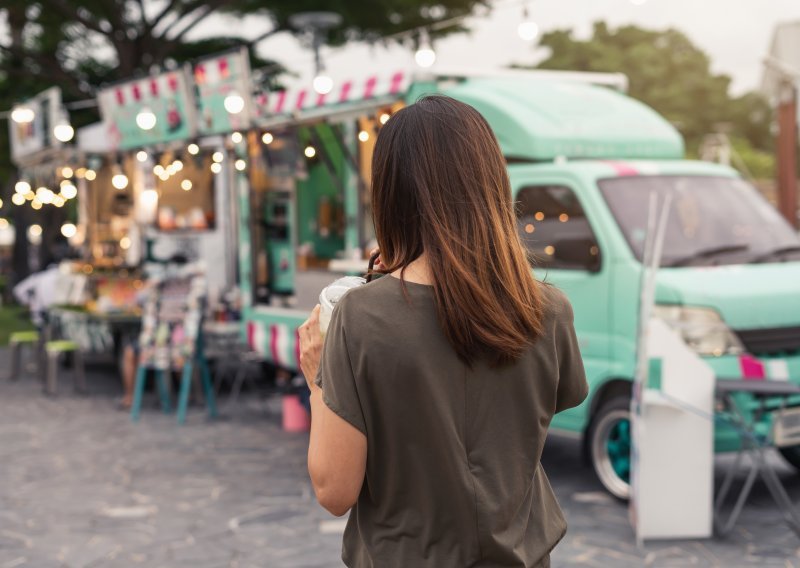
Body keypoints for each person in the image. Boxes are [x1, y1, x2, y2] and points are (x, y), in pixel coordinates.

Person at [298, 95, 588, 568]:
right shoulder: (548, 309)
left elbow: (335, 489)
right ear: (492, 182)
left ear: (390, 193)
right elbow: (526, 422)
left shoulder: (361, 316)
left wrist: (317, 379)